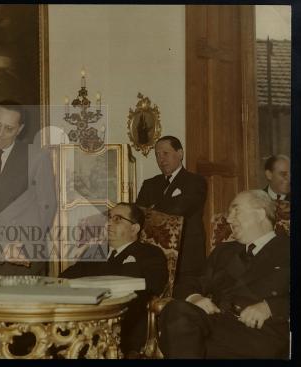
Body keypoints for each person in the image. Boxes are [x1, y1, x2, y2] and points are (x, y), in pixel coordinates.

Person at [159, 190, 290, 359]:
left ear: (259, 214)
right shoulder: (224, 252)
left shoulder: (287, 248)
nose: (228, 219)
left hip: (259, 334)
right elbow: (188, 283)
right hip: (215, 324)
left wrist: (270, 307)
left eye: (236, 211)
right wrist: (195, 297)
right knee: (175, 310)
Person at [60, 203, 168, 355]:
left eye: (118, 219)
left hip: (125, 325)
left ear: (134, 228)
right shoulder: (94, 252)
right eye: (109, 218)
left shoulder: (149, 253)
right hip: (81, 320)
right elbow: (64, 278)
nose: (109, 223)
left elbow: (154, 285)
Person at [0, 100, 57, 276]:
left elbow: (47, 207)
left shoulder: (37, 157)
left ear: (20, 129)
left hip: (22, 254)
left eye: (9, 129)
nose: (0, 134)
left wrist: (24, 244)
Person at [136, 135, 207, 280]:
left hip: (186, 258)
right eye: (157, 155)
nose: (161, 159)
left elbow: (180, 209)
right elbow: (138, 214)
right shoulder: (150, 184)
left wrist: (152, 208)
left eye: (165, 153)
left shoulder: (196, 181)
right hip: (154, 256)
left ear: (180, 154)